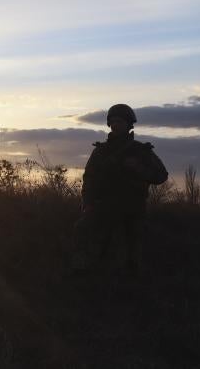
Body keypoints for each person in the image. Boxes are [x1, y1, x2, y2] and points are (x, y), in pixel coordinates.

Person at [74, 103, 168, 275]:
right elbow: (89, 179)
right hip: (103, 208)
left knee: (132, 257)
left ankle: (130, 288)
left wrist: (138, 168)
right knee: (86, 239)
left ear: (129, 124)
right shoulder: (100, 151)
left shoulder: (141, 151)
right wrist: (87, 203)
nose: (116, 125)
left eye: (120, 121)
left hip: (133, 210)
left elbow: (161, 176)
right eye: (113, 121)